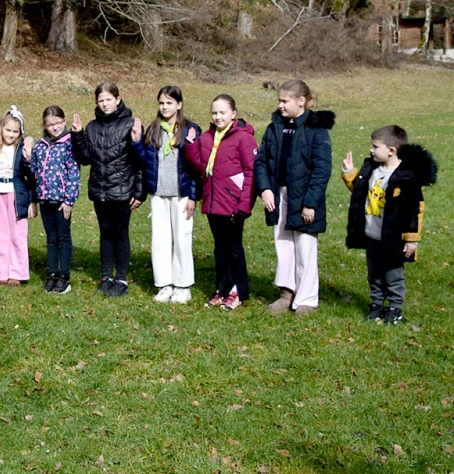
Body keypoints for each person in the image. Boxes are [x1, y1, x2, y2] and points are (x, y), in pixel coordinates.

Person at [341, 125, 437, 325]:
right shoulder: (372, 170)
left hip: (394, 239)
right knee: (374, 274)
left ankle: (395, 308)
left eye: (375, 147)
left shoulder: (406, 177)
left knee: (393, 275)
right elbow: (362, 193)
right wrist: (350, 173)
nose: (371, 150)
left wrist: (412, 239)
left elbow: (415, 210)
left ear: (391, 150)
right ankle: (377, 305)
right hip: (372, 235)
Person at [254, 79, 334, 317]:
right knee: (283, 245)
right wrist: (265, 189)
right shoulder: (274, 127)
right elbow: (261, 160)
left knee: (305, 247)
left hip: (305, 198)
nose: (280, 105)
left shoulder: (316, 130)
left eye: (285, 101)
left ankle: (307, 298)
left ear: (301, 101)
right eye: (279, 100)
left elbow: (322, 170)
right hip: (278, 195)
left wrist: (310, 203)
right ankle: (286, 293)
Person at [71, 82, 144, 297]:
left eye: (109, 100)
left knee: (120, 233)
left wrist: (139, 192)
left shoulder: (130, 124)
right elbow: (85, 159)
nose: (105, 104)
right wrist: (78, 135)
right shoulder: (92, 127)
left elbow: (140, 162)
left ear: (118, 100)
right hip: (100, 190)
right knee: (105, 233)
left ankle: (121, 278)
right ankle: (106, 276)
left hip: (123, 191)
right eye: (101, 100)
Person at [185, 95, 258, 310]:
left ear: (233, 114)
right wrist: (191, 145)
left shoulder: (243, 138)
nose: (218, 117)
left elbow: (251, 173)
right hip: (213, 202)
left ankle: (238, 290)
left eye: (222, 113)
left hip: (233, 204)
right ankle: (222, 288)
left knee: (234, 248)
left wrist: (244, 205)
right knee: (220, 248)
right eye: (214, 113)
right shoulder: (207, 138)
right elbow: (200, 166)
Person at [131, 86, 201, 303]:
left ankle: (182, 285)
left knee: (182, 239)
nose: (165, 107)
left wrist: (193, 196)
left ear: (179, 105)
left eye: (169, 103)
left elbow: (196, 167)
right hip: (159, 194)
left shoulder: (190, 130)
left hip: (181, 194)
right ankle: (164, 284)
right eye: (161, 103)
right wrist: (137, 142)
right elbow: (146, 162)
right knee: (160, 240)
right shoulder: (153, 130)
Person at [0, 106, 36, 286]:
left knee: (17, 235)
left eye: (15, 131)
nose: (11, 134)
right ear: (1, 128)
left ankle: (17, 273)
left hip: (17, 196)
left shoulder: (22, 149)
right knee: (1, 235)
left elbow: (31, 175)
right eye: (8, 130)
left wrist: (29, 159)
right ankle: (3, 273)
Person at [30, 105, 79, 294]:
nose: (55, 127)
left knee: (63, 237)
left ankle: (64, 276)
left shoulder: (69, 144)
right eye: (50, 124)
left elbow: (73, 174)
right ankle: (52, 274)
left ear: (64, 121)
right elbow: (34, 172)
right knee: (51, 238)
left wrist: (69, 201)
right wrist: (34, 199)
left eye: (58, 123)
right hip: (44, 199)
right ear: (44, 125)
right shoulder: (40, 146)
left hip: (61, 201)